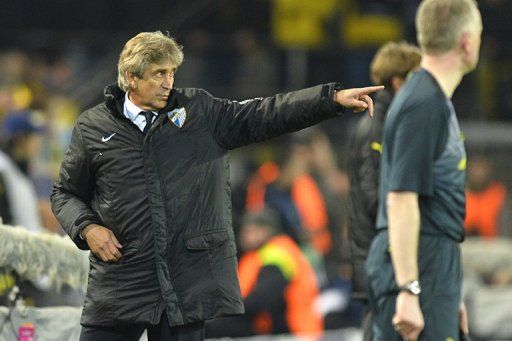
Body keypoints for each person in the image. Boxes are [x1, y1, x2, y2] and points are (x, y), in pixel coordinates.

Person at [50, 31, 383, 341]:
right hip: (121, 282)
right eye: (158, 74)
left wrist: (331, 99)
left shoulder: (199, 113)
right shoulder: (93, 127)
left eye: (172, 72)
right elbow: (65, 193)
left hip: (183, 286)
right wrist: (87, 227)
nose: (169, 83)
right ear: (132, 78)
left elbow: (264, 114)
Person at [365, 0, 482, 340]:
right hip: (419, 264)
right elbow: (401, 199)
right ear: (466, 41)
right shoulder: (423, 103)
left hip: (433, 266)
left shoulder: (432, 98)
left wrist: (448, 290)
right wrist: (409, 289)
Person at [347, 41, 421, 340]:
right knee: (379, 324)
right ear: (398, 80)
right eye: (416, 79)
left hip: (379, 248)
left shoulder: (389, 120)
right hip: (374, 251)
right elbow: (372, 192)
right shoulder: (377, 124)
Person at [205, 208, 322, 337]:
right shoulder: (259, 254)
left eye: (249, 231)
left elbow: (262, 298)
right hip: (279, 329)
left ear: (266, 231)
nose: (243, 236)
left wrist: (223, 315)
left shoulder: (278, 254)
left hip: (294, 330)